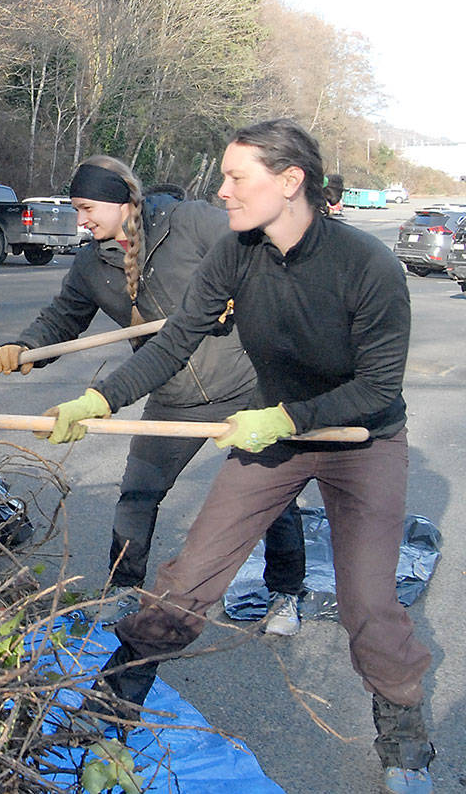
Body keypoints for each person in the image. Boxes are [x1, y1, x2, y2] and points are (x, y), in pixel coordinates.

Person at [44, 119, 434, 794]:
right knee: (187, 579)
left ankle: (403, 737)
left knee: (368, 604)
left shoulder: (366, 265)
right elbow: (172, 345)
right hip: (276, 436)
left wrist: (286, 416)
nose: (222, 190)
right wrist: (99, 400)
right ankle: (107, 709)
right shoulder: (236, 255)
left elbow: (376, 387)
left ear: (290, 182)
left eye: (236, 177)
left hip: (360, 441)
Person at [0, 155, 306, 633]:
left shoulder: (189, 222)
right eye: (76, 209)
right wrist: (24, 347)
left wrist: (244, 294)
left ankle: (285, 595)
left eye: (87, 206)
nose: (81, 219)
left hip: (243, 383)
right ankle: (122, 591)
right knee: (137, 494)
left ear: (122, 201)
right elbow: (63, 319)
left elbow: (263, 252)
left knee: (269, 496)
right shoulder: (93, 263)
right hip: (170, 388)